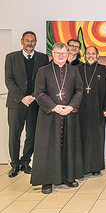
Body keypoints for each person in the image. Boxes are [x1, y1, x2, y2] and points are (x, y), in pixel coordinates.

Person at [31, 42, 84, 194]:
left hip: (68, 114)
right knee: (48, 147)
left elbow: (79, 90)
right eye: (57, 53)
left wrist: (71, 106)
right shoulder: (43, 71)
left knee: (68, 145)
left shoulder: (73, 70)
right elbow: (39, 93)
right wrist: (55, 107)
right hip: (49, 115)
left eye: (63, 53)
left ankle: (68, 177)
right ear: (52, 54)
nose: (61, 56)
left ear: (68, 54)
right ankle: (47, 181)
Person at [5, 31, 49, 177]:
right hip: (16, 103)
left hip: (35, 103)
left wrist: (33, 96)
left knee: (32, 134)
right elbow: (9, 80)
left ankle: (25, 162)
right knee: (14, 135)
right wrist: (22, 97)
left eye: (32, 41)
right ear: (22, 41)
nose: (30, 43)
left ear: (36, 42)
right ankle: (15, 165)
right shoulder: (11, 57)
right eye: (27, 40)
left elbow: (44, 80)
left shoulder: (43, 58)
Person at [76, 46, 106, 176]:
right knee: (82, 138)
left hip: (98, 110)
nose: (90, 56)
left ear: (98, 55)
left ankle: (96, 167)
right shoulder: (78, 69)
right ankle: (83, 166)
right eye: (88, 53)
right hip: (81, 110)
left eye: (93, 53)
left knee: (97, 138)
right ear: (84, 55)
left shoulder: (103, 70)